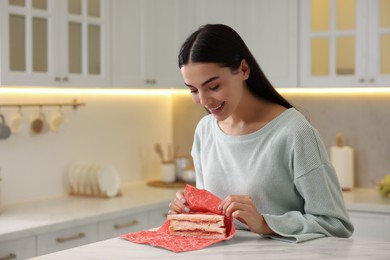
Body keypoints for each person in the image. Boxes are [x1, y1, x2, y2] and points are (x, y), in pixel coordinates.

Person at [168, 24, 354, 242]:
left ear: (244, 70)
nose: (204, 100)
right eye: (193, 90)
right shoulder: (204, 131)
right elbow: (214, 219)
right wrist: (190, 215)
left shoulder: (294, 132)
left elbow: (336, 224)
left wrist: (265, 224)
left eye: (214, 86)